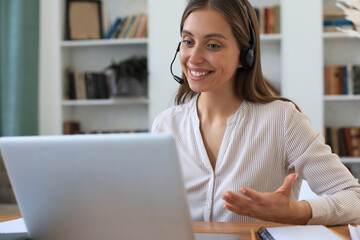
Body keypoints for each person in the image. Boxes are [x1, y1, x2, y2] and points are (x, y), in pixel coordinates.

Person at [152, 0, 360, 225]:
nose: (194, 57)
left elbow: (354, 198)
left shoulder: (282, 120)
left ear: (245, 54)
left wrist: (298, 211)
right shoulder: (165, 126)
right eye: (188, 41)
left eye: (213, 45)